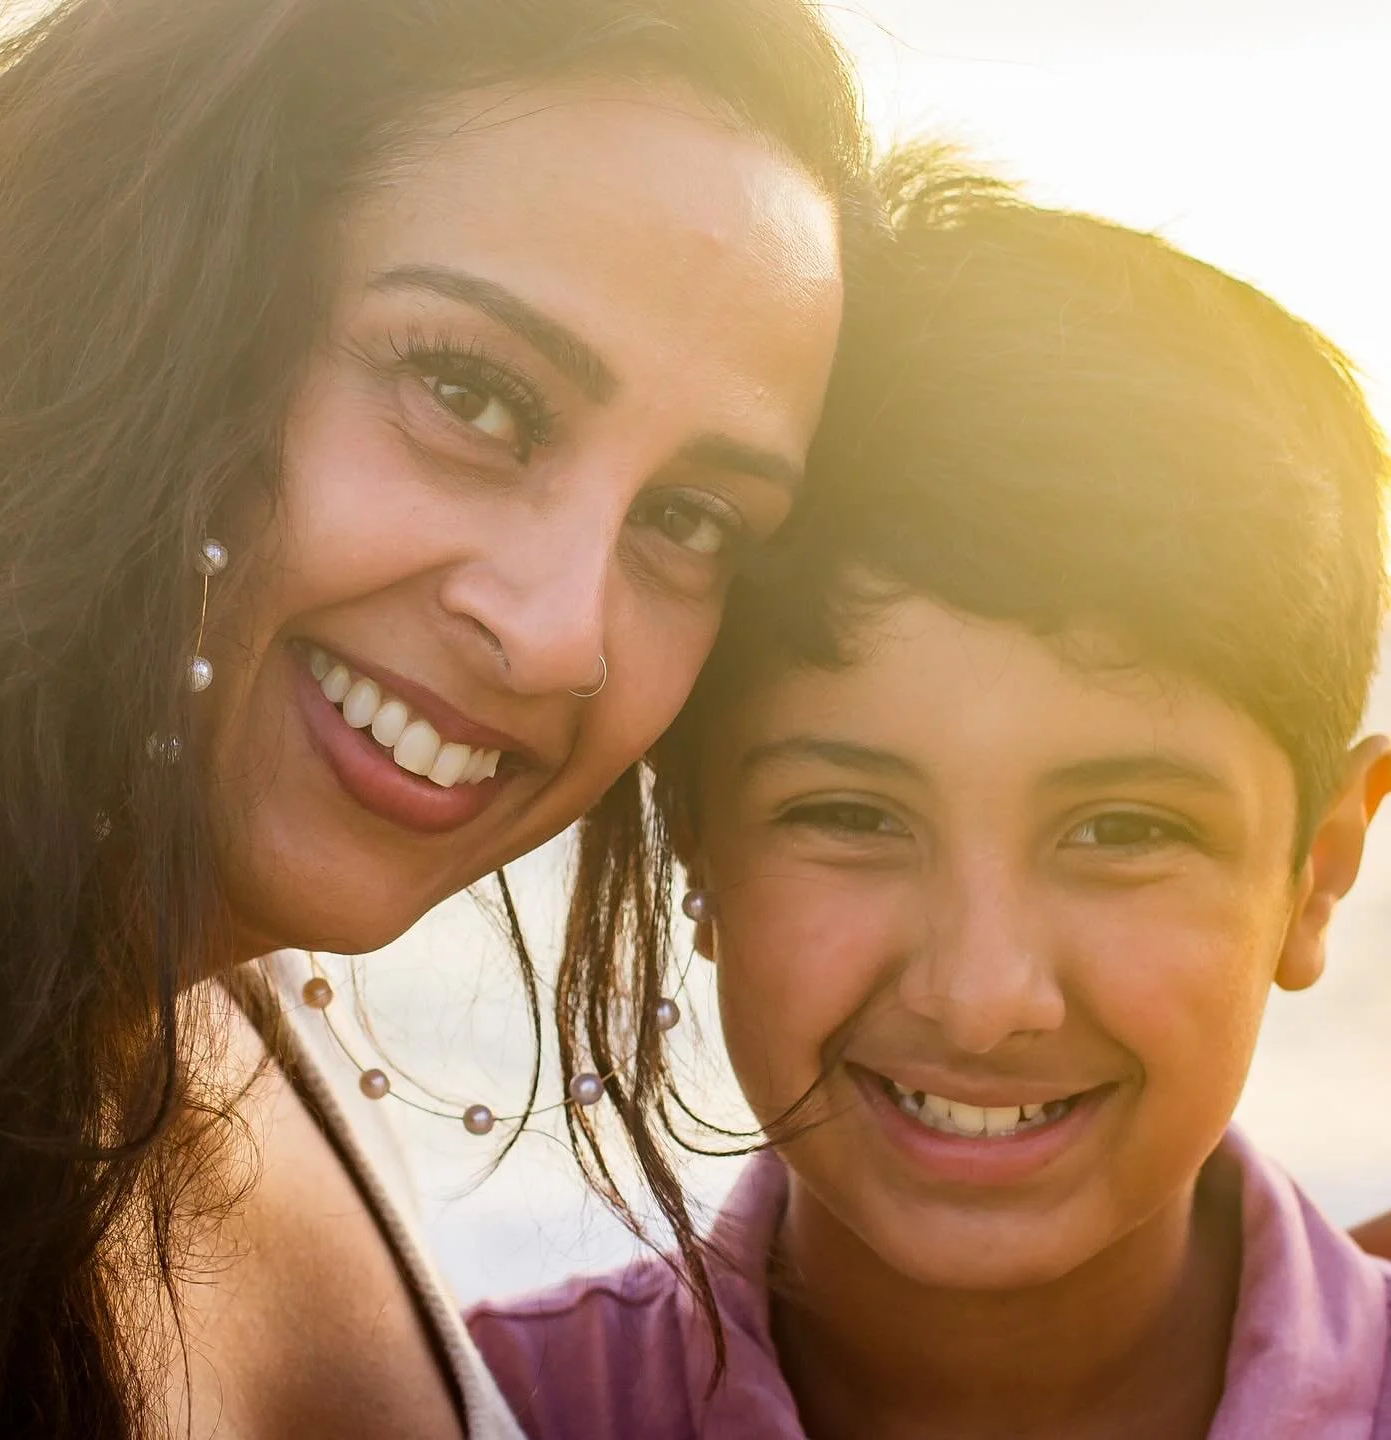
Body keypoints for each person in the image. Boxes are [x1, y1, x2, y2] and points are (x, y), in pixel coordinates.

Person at [0, 0, 870, 1433]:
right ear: (142, 302)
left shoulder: (249, 1026)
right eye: (473, 395)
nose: (563, 633)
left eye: (690, 518)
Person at [471, 153, 1391, 1438]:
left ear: (1322, 867)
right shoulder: (452, 1412)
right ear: (691, 832)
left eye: (1126, 831)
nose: (982, 997)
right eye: (851, 817)